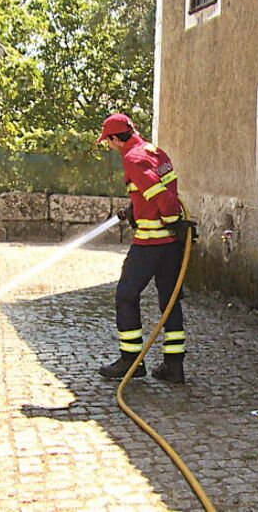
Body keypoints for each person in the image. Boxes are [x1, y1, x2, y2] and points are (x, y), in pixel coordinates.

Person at [96, 113, 193, 383]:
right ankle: (173, 366)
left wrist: (172, 220)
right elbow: (155, 188)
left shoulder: (132, 158)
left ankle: (131, 361)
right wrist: (135, 208)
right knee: (169, 301)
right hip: (171, 247)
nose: (109, 146)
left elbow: (161, 196)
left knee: (126, 296)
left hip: (150, 244)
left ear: (116, 138)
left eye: (108, 141)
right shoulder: (155, 152)